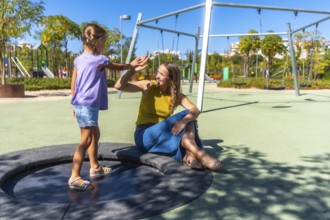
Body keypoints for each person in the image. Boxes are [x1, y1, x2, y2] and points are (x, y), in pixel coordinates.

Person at [69, 23, 147, 191]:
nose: (105, 45)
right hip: (88, 104)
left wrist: (73, 102)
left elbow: (74, 83)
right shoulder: (100, 59)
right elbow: (117, 66)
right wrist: (132, 66)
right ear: (95, 41)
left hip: (82, 103)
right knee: (86, 139)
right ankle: (74, 177)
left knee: (95, 134)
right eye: (104, 41)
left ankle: (95, 168)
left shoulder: (78, 59)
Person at [114, 62, 224, 171]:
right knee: (186, 117)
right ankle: (200, 154)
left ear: (171, 79)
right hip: (144, 135)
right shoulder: (148, 86)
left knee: (190, 119)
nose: (157, 76)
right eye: (158, 72)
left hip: (163, 136)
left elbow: (196, 110)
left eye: (162, 74)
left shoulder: (176, 95)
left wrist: (183, 122)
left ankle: (191, 156)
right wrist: (132, 70)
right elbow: (118, 86)